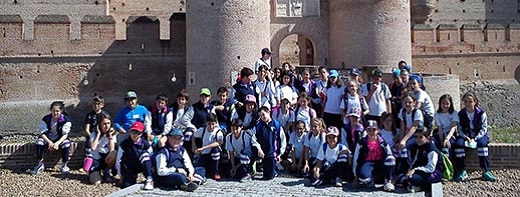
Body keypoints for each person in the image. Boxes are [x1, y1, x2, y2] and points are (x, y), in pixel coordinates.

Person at [453, 92, 496, 182]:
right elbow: (459, 129)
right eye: (465, 101)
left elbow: (484, 129)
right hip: (466, 135)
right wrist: (465, 137)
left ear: (475, 102)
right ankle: (461, 170)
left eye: (470, 101)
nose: (468, 104)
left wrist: (476, 138)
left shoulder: (481, 113)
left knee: (483, 145)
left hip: (479, 135)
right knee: (458, 145)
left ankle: (485, 171)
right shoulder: (461, 114)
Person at [352, 120, 396, 192]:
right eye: (369, 129)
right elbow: (356, 159)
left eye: (374, 129)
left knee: (391, 159)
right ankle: (371, 180)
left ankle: (388, 181)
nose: (371, 132)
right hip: (367, 163)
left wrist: (392, 175)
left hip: (380, 162)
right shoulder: (361, 143)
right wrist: (355, 176)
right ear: (366, 130)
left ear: (378, 130)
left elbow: (390, 155)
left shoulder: (383, 142)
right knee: (363, 178)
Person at [32, 101, 72, 175]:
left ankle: (64, 165)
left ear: (61, 111)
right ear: (51, 110)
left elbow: (65, 135)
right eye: (53, 111)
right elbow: (42, 133)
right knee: (39, 142)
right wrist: (50, 142)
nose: (55, 113)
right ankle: (40, 164)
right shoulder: (46, 119)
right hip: (47, 138)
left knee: (66, 144)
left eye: (57, 111)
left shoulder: (65, 120)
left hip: (59, 139)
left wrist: (57, 143)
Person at [116, 121, 154, 190]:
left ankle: (149, 179)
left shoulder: (145, 144)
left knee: (145, 155)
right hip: (129, 167)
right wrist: (121, 175)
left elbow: (151, 156)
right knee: (127, 185)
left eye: (138, 133)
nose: (134, 134)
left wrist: (152, 168)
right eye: (133, 132)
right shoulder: (124, 144)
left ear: (141, 133)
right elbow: (118, 160)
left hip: (141, 164)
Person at [253, 106, 287, 180]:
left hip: (273, 153)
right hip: (263, 153)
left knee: (269, 177)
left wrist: (280, 153)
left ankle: (274, 171)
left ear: (268, 112)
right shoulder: (259, 126)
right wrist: (258, 148)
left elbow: (282, 139)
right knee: (266, 175)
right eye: (260, 116)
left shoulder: (276, 124)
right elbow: (253, 138)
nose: (262, 117)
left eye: (263, 114)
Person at [406, 128, 443, 194]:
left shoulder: (432, 151)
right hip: (423, 171)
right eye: (416, 137)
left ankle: (419, 186)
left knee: (413, 178)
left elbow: (431, 168)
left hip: (433, 173)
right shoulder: (419, 147)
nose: (418, 139)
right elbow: (416, 161)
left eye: (421, 137)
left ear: (428, 138)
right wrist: (410, 169)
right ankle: (414, 185)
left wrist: (415, 170)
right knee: (406, 175)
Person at [192, 114, 224, 181]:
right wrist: (194, 145)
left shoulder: (218, 131)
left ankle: (216, 172)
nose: (211, 126)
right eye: (209, 124)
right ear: (206, 123)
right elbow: (193, 135)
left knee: (215, 150)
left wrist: (203, 148)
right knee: (199, 167)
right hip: (205, 154)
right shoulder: (203, 130)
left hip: (215, 156)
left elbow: (218, 142)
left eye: (213, 124)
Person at [87, 113, 117, 184]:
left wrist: (110, 136)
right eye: (104, 124)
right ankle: (94, 173)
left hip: (106, 159)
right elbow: (93, 148)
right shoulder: (93, 134)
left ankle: (107, 171)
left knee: (114, 153)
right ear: (99, 124)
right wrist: (98, 135)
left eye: (108, 123)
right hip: (96, 159)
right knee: (96, 182)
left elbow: (112, 150)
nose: (107, 126)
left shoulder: (112, 134)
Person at [170, 90, 197, 157]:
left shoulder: (189, 109)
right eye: (179, 99)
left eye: (183, 99)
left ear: (186, 101)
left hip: (184, 128)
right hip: (174, 128)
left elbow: (185, 121)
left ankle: (187, 154)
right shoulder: (172, 108)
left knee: (188, 135)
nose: (180, 101)